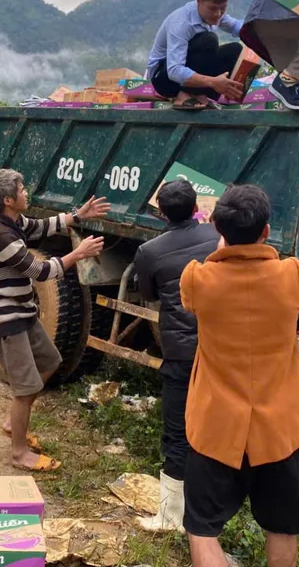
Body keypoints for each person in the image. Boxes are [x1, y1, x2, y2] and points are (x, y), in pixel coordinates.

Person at [180, 185, 299, 567]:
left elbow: (194, 295)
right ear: (266, 231)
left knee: (202, 528)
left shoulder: (197, 279)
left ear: (219, 228)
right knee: (282, 528)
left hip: (216, 426)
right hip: (279, 430)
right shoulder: (290, 274)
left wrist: (224, 250)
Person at [0, 169, 110, 471]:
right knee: (24, 390)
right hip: (7, 321)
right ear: (9, 200)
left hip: (23, 314)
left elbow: (42, 226)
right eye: (23, 190)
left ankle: (14, 422)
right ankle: (19, 453)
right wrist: (78, 254)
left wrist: (78, 215)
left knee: (50, 362)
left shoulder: (13, 221)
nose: (27, 194)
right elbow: (39, 272)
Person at [132, 180, 219, 533]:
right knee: (214, 426)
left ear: (161, 212)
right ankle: (212, 505)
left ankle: (170, 516)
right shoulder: (218, 236)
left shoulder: (150, 251)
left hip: (181, 354)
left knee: (177, 431)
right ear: (198, 205)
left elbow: (147, 294)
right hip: (218, 350)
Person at [146, 0, 247, 110]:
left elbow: (236, 26)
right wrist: (212, 82)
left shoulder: (216, 14)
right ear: (199, 1)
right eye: (213, 8)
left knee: (235, 50)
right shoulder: (181, 23)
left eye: (223, 8)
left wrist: (260, 34)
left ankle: (203, 94)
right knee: (208, 40)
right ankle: (183, 97)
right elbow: (174, 70)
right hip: (165, 80)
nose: (218, 14)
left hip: (192, 77)